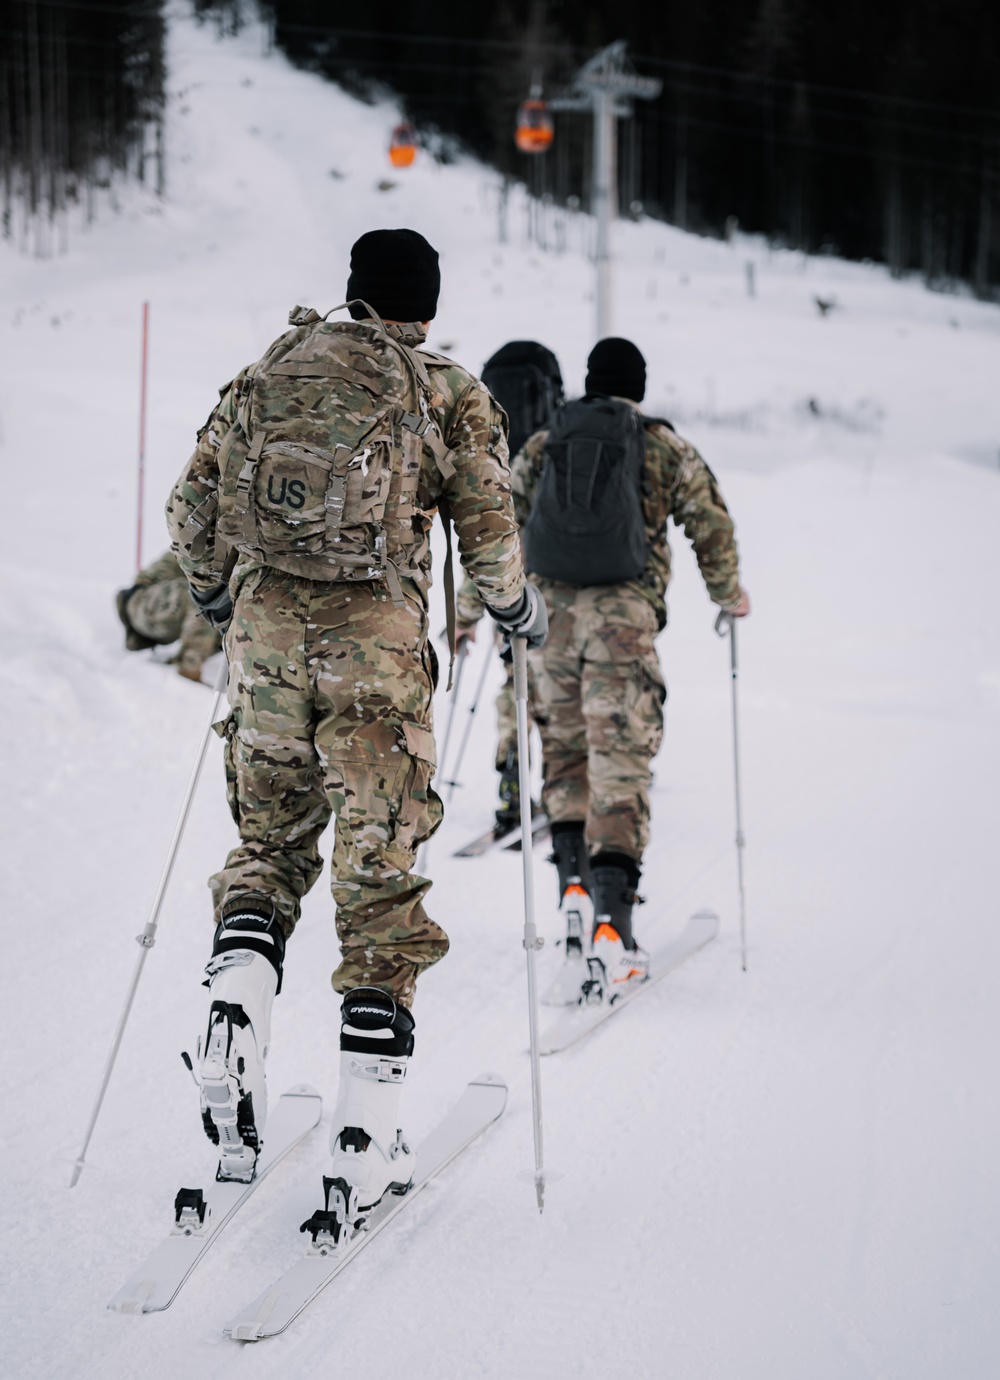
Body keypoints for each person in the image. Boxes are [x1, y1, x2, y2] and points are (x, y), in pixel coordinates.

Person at [165, 230, 546, 1219]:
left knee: (268, 845)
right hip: (375, 661)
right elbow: (493, 541)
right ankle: (364, 1136)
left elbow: (189, 506)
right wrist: (516, 613)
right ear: (423, 304)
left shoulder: (270, 369)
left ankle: (240, 990)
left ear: (352, 293)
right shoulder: (447, 391)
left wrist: (219, 601)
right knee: (378, 885)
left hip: (264, 649)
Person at [509, 336, 749, 997]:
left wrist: (484, 605)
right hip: (623, 620)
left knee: (563, 754)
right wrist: (729, 594)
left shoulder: (546, 440)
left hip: (547, 615)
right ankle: (614, 925)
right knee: (620, 763)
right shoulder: (662, 445)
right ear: (637, 387)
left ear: (587, 383)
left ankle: (572, 891)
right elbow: (710, 521)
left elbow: (501, 518)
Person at [452, 342, 564, 832]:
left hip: (514, 586)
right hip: (570, 581)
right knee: (564, 693)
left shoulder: (507, 448)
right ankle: (571, 794)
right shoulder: (558, 441)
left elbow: (493, 537)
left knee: (515, 682)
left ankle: (513, 788)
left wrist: (465, 614)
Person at [116, 550, 221, 681]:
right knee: (204, 593)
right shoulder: (204, 540)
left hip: (169, 618)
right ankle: (188, 669)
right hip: (140, 604)